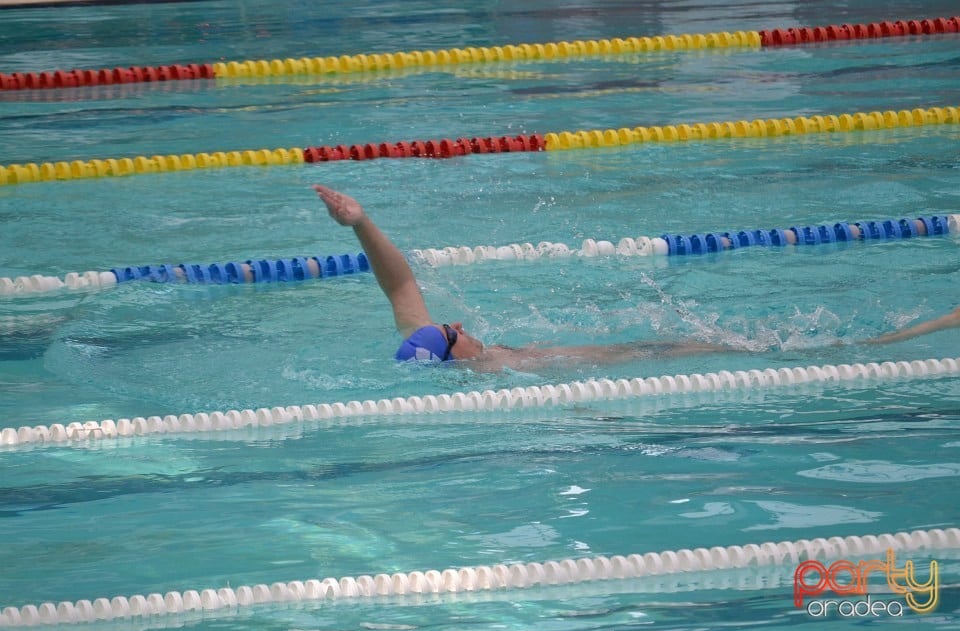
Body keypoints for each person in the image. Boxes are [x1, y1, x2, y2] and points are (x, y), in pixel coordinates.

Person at [313, 184, 959, 371]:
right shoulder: (500, 372)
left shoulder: (437, 346)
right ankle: (930, 329)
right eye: (455, 333)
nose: (461, 327)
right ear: (455, 356)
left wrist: (360, 222)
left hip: (640, 353)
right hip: (645, 358)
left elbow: (398, 286)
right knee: (810, 352)